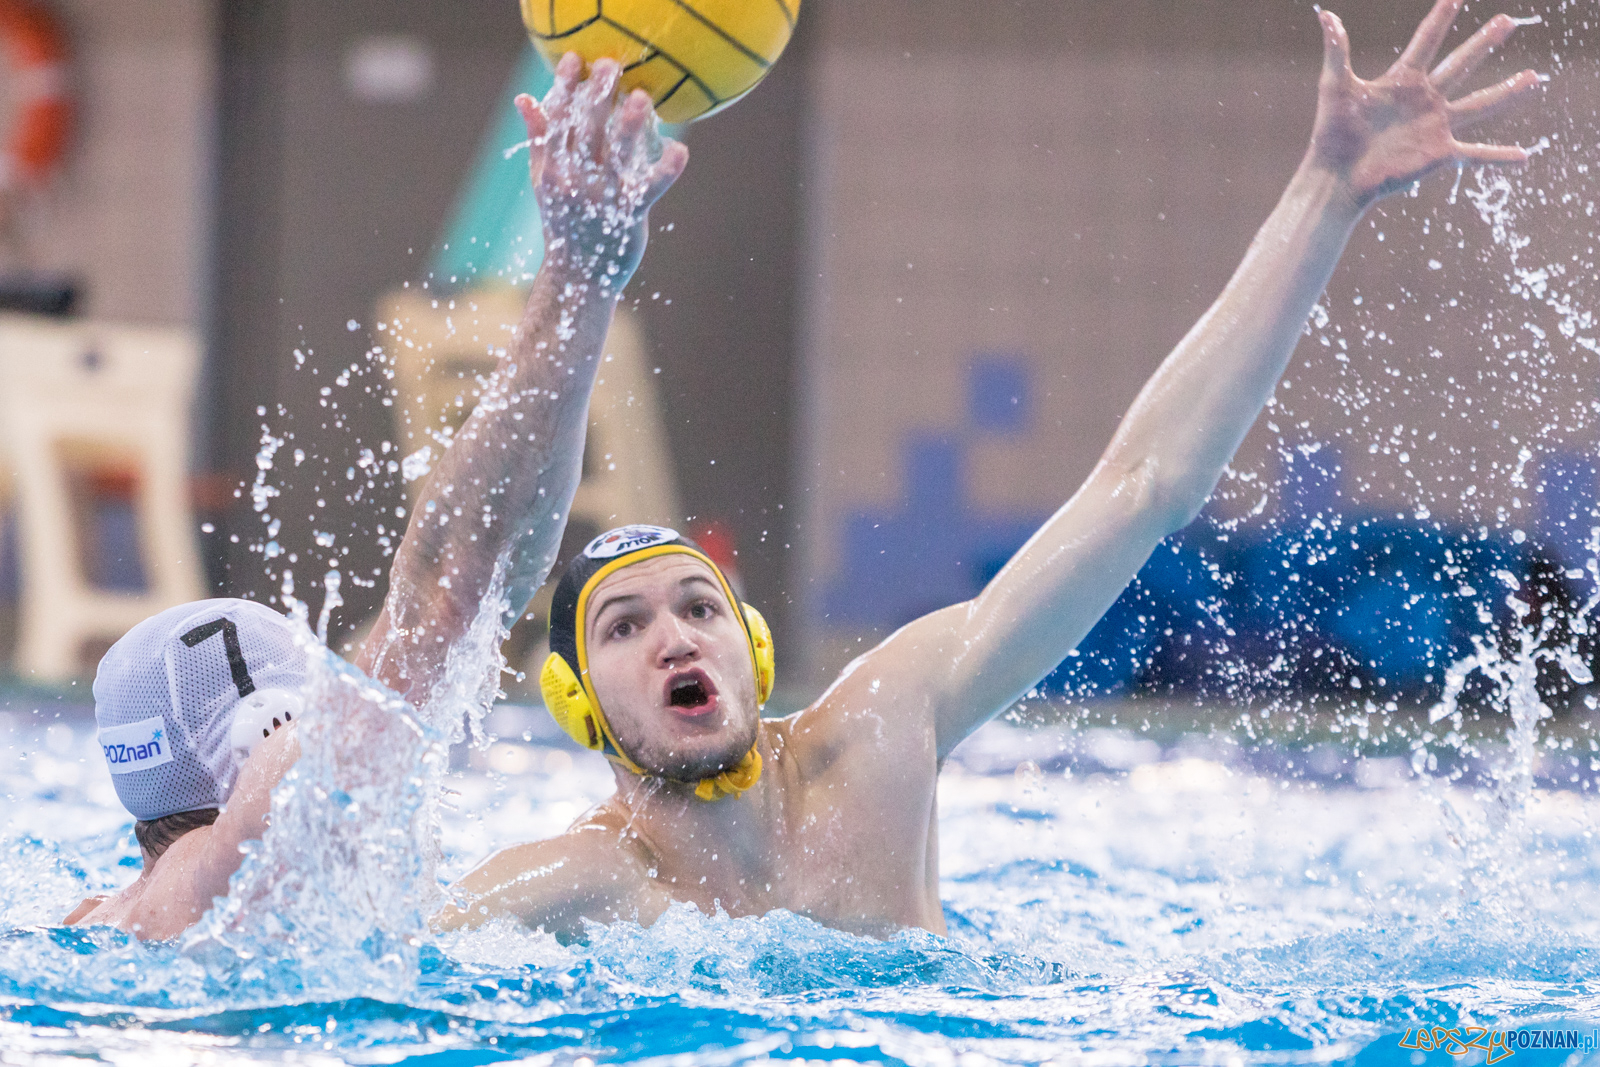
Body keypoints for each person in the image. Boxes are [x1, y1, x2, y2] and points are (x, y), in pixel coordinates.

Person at [438, 0, 1543, 940]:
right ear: (575, 702)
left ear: (754, 648)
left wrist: (1327, 193)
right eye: (624, 626)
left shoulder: (877, 737)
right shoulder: (581, 882)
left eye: (697, 606)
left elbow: (1143, 486)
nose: (677, 637)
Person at [62, 55, 688, 940]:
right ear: (264, 731)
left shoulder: (102, 916)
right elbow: (453, 591)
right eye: (315, 697)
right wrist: (579, 279)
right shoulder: (220, 881)